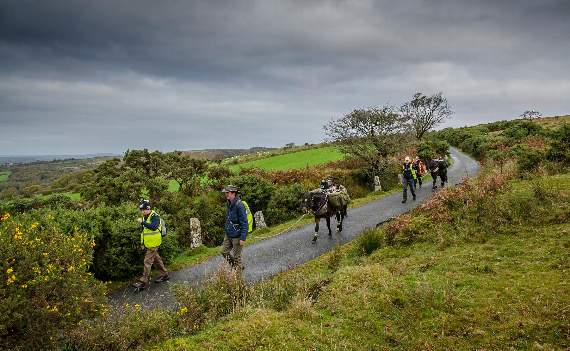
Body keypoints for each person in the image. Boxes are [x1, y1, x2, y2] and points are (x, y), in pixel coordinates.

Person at [132, 200, 168, 290]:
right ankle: (164, 275)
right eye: (141, 210)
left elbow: (153, 227)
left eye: (144, 209)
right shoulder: (145, 217)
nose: (142, 211)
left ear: (148, 208)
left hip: (154, 243)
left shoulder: (154, 216)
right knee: (156, 260)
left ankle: (143, 282)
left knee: (147, 262)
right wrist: (142, 243)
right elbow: (144, 232)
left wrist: (142, 222)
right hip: (149, 243)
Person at [221, 185, 249, 271]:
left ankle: (238, 275)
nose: (226, 195)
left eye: (227, 193)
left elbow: (245, 223)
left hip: (237, 235)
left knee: (237, 257)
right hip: (229, 233)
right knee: (224, 252)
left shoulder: (239, 205)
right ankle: (236, 267)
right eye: (225, 193)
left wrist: (243, 238)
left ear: (233, 193)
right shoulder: (229, 203)